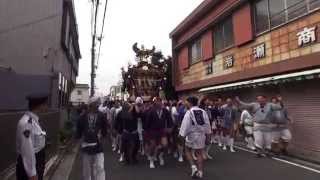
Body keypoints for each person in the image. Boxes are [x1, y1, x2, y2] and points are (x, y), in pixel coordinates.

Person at [16, 93, 49, 180]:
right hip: (30, 166)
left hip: (38, 162)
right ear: (39, 106)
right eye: (45, 104)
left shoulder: (34, 121)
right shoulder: (26, 123)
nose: (47, 107)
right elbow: (27, 151)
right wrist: (32, 173)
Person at [179, 96, 212, 179]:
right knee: (199, 153)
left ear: (190, 103)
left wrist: (181, 135)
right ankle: (200, 172)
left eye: (186, 102)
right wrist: (208, 136)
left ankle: (193, 167)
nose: (185, 103)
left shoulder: (189, 112)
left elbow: (185, 126)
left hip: (191, 135)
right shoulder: (203, 111)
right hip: (201, 135)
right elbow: (207, 124)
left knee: (187, 149)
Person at [76, 97, 107, 180]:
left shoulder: (101, 115)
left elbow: (104, 128)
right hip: (86, 146)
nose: (97, 105)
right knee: (87, 170)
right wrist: (80, 141)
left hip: (98, 146)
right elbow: (78, 132)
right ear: (90, 105)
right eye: (95, 103)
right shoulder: (82, 117)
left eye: (98, 103)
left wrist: (102, 136)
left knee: (100, 167)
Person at [144, 97, 173, 168]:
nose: (159, 103)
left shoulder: (165, 110)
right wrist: (146, 131)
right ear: (155, 103)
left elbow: (169, 119)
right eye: (157, 102)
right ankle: (151, 160)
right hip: (152, 131)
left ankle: (160, 156)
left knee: (165, 144)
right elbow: (147, 122)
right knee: (153, 145)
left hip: (162, 130)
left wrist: (170, 127)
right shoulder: (151, 111)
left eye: (160, 101)